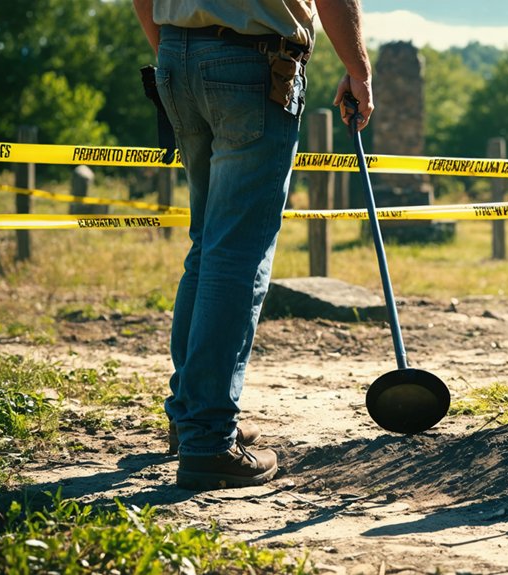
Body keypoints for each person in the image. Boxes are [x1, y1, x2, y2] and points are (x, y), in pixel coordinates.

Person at [133, 0, 374, 490]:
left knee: (209, 246)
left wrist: (179, 53)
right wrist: (359, 72)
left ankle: (191, 415)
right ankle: (207, 439)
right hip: (253, 60)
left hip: (177, 56)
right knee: (236, 254)